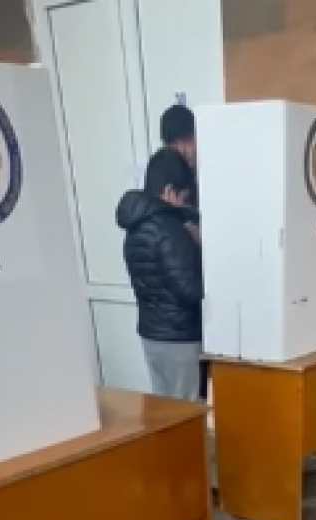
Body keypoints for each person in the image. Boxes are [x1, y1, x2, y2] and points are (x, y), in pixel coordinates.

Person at [116, 148, 203, 401]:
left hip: (151, 334)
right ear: (168, 190)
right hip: (179, 337)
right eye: (182, 197)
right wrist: (199, 250)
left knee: (164, 407)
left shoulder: (134, 227)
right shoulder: (170, 229)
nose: (183, 204)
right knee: (187, 409)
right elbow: (189, 290)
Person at [160, 103, 210, 401]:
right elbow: (187, 284)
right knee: (186, 404)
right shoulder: (174, 179)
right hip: (180, 325)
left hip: (162, 327)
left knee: (172, 402)